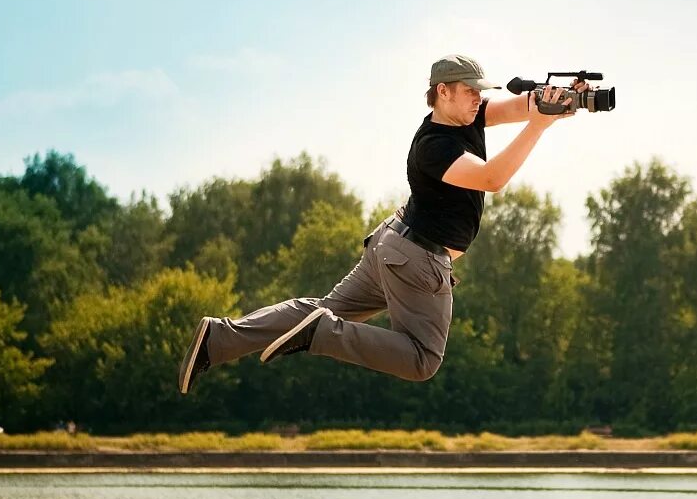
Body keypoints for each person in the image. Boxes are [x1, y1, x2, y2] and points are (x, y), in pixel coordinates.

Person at [178, 55, 581, 393]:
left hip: (394, 246)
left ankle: (221, 337)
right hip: (417, 259)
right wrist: (539, 126)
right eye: (471, 91)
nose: (479, 99)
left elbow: (522, 107)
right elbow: (493, 178)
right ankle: (321, 334)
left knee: (322, 311)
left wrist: (564, 99)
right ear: (443, 92)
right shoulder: (434, 146)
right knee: (422, 360)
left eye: (481, 92)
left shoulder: (468, 117)